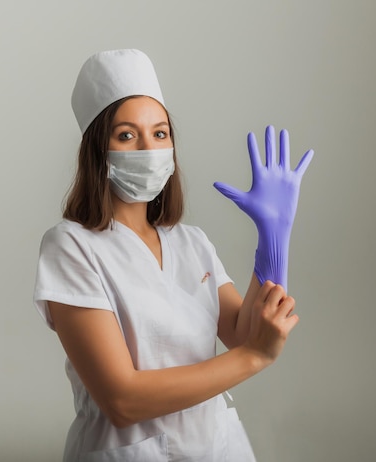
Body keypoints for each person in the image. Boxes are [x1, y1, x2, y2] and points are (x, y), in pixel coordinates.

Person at [33, 49, 313, 461]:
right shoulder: (71, 247)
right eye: (126, 135)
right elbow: (122, 400)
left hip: (217, 447)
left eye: (160, 133)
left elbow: (241, 329)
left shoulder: (191, 242)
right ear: (98, 150)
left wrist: (274, 237)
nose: (149, 147)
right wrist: (253, 358)